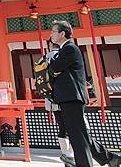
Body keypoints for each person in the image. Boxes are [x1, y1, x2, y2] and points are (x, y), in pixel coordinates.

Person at [49, 20, 121, 167]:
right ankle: (109, 158)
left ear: (62, 33)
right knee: (79, 134)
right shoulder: (65, 50)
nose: (51, 34)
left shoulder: (69, 49)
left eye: (53, 31)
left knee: (78, 137)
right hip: (69, 98)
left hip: (72, 97)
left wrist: (53, 69)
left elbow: (54, 67)